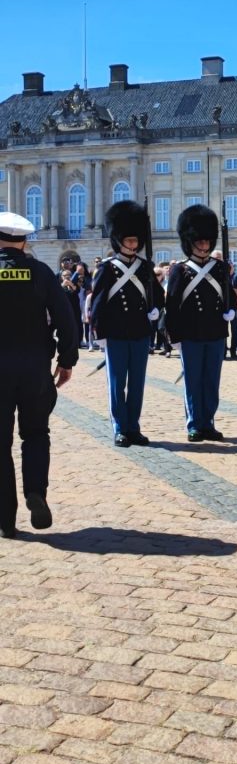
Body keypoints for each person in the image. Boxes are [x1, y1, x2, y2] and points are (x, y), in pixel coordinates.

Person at [0, 212, 77, 538]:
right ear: (24, 241)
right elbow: (66, 318)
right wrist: (67, 359)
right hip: (34, 368)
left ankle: (5, 519)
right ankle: (36, 492)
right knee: (35, 434)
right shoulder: (40, 272)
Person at [91, 200, 163, 447]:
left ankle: (134, 426)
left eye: (135, 241)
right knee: (117, 382)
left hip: (140, 332)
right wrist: (99, 331)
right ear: (119, 241)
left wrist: (155, 309)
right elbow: (98, 302)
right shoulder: (108, 268)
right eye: (129, 241)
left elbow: (159, 296)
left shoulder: (145, 267)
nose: (133, 245)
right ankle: (120, 427)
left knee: (137, 383)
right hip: (116, 332)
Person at [165, 204, 236, 442]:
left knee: (211, 382)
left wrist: (231, 311)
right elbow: (172, 305)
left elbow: (230, 297)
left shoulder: (220, 268)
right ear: (190, 242)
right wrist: (173, 336)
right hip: (191, 334)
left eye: (207, 242)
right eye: (199, 242)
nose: (204, 246)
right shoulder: (180, 270)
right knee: (193, 381)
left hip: (215, 332)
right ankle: (194, 423)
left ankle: (208, 422)